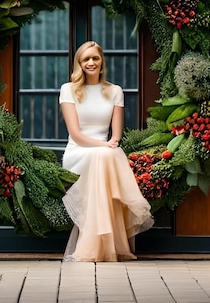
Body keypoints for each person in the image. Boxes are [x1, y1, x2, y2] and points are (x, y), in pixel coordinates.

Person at [59, 41, 154, 262]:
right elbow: (76, 134)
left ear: (102, 62)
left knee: (108, 156)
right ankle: (99, 246)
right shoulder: (68, 90)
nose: (91, 63)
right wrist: (105, 146)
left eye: (95, 58)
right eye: (86, 59)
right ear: (79, 64)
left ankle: (105, 247)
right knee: (107, 155)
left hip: (105, 151)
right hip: (79, 151)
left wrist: (108, 145)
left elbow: (116, 135)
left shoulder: (115, 91)